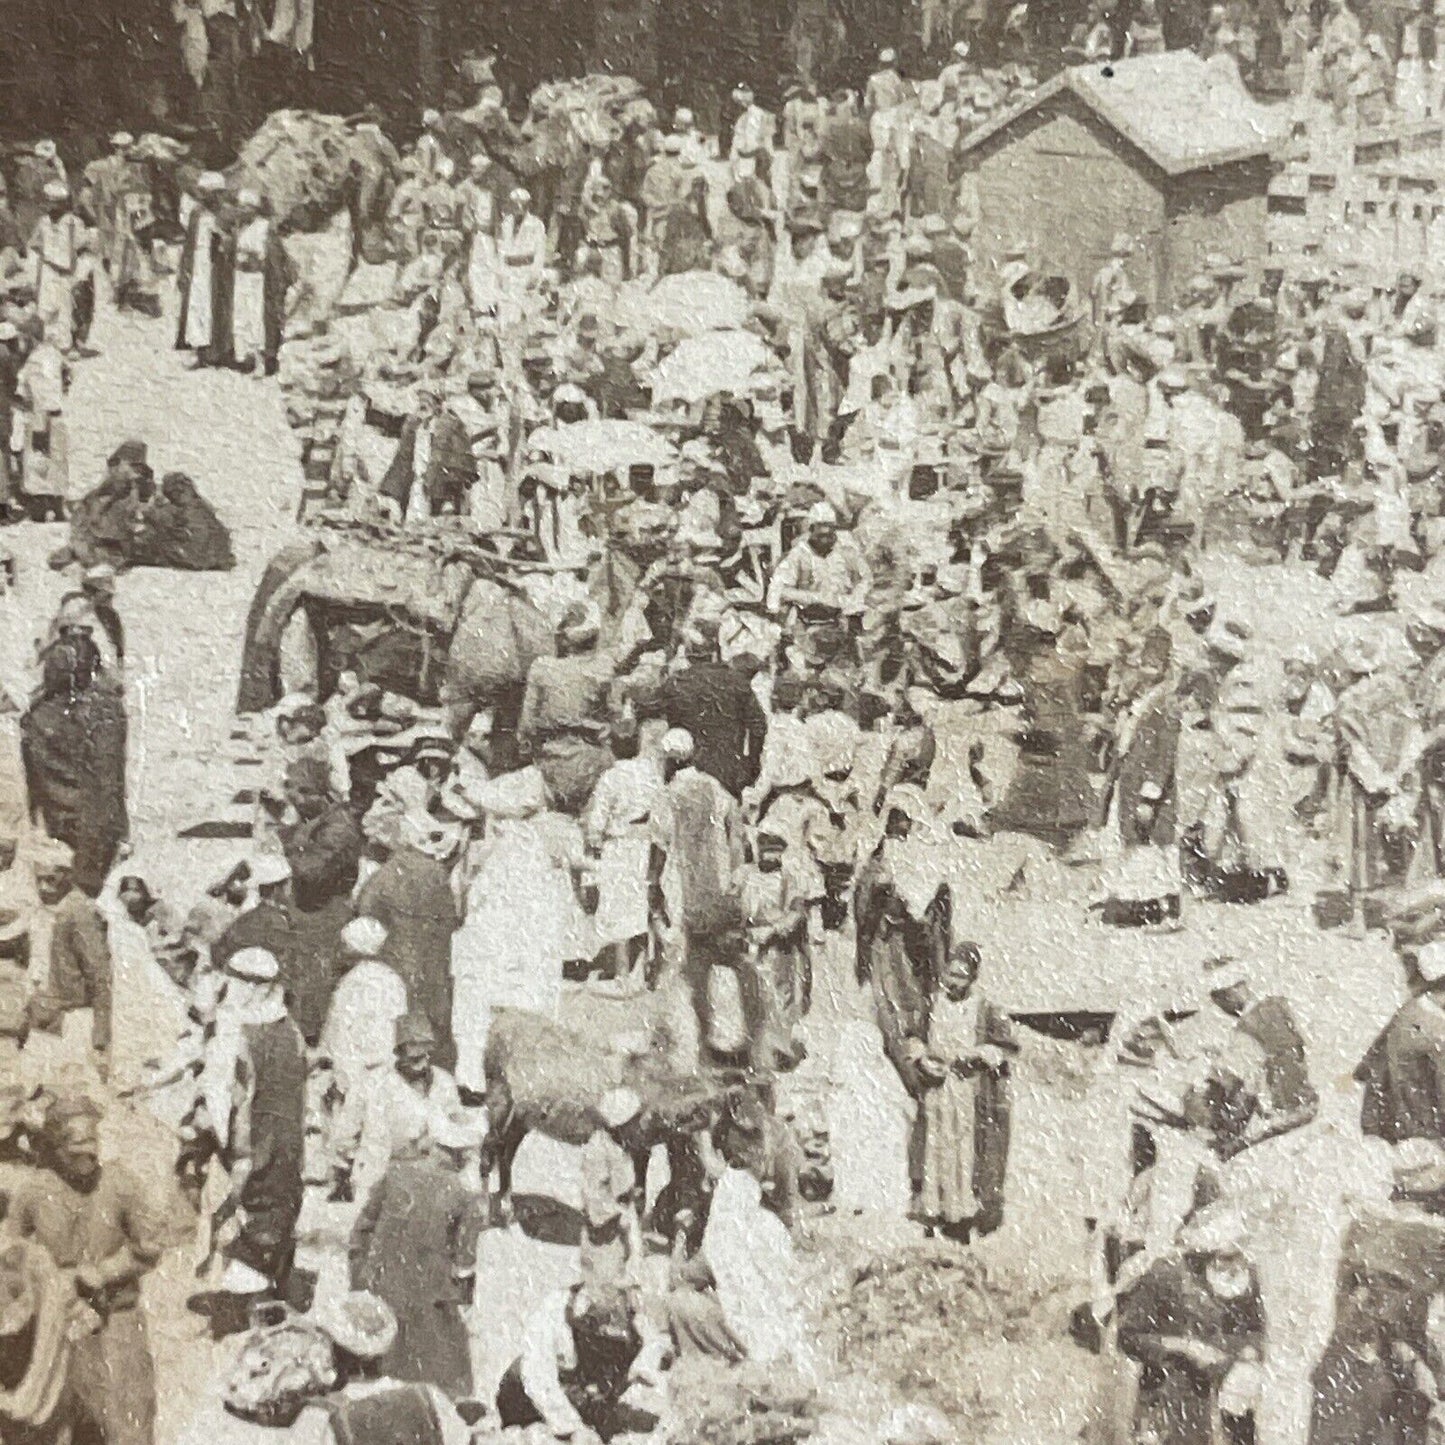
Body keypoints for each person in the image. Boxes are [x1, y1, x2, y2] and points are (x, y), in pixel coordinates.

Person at [6, 1094, 172, 1445]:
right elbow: (12, 1261)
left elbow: (151, 1245)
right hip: (57, 1330)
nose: (89, 1153)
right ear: (54, 1147)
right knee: (55, 1426)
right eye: (76, 1145)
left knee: (128, 1424)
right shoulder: (33, 1193)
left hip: (117, 1319)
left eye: (92, 1141)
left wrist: (100, 1273)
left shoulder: (119, 1184)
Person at [349, 1115, 485, 1400]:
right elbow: (464, 1265)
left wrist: (361, 1278)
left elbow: (361, 1230)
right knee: (440, 1382)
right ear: (466, 1154)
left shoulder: (396, 1172)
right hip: (426, 1302)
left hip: (380, 1288)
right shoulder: (464, 1197)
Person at [207, 946, 307, 1312]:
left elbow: (222, 1101)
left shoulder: (237, 1032)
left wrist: (222, 1145)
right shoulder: (290, 1030)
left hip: (251, 1144)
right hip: (287, 1142)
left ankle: (248, 1308)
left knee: (246, 1218)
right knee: (279, 1211)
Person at [1116, 1205, 1266, 1445]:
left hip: (1231, 1408)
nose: (1234, 1267)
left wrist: (1248, 1354)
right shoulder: (1167, 1275)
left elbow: (1255, 1331)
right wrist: (1184, 1347)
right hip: (1168, 1407)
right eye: (1225, 1258)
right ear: (1204, 1252)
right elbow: (1127, 1337)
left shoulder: (1247, 1278)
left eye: (1240, 1256)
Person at [907, 941, 1017, 1240]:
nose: (953, 981)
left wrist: (976, 1057)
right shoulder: (931, 1003)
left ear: (972, 978)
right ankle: (934, 1210)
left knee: (964, 1150)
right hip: (937, 1090)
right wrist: (923, 1061)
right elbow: (914, 1039)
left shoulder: (984, 1008)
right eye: (950, 974)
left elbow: (1004, 1047)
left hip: (967, 1090)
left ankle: (961, 1216)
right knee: (936, 1147)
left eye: (961, 976)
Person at [355, 810, 461, 1069]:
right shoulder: (437, 874)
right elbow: (452, 918)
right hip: (433, 958)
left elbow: (364, 911)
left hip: (396, 958)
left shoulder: (384, 876)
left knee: (399, 1019)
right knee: (437, 1020)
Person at [498, 1283, 660, 1441]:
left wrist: (632, 1376)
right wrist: (573, 1427)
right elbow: (537, 1377)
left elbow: (653, 1347)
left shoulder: (633, 1319)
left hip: (582, 1400)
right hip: (525, 1403)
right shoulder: (555, 1309)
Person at [332, 1012, 463, 1204]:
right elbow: (344, 1135)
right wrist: (345, 1170)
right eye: (414, 1057)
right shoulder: (371, 1084)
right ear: (398, 1053)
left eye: (425, 1054)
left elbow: (457, 1126)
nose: (420, 1064)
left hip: (431, 1178)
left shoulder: (444, 1082)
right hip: (380, 1179)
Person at [26, 837, 113, 1078]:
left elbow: (100, 975)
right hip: (45, 1013)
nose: (44, 887)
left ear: (67, 876)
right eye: (39, 880)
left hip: (73, 1018)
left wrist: (101, 1034)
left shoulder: (79, 912)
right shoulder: (46, 908)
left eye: (50, 880)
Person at [318, 916, 408, 1103]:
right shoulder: (392, 978)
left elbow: (338, 1029)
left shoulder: (350, 983)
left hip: (353, 1066)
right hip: (384, 1063)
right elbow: (399, 1019)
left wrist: (327, 1059)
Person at [28, 181, 91, 357]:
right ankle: (48, 344)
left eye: (56, 202)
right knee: (47, 308)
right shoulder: (43, 222)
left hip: (67, 272)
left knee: (66, 309)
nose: (52, 206)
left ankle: (66, 346)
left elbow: (83, 246)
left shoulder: (74, 223)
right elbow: (34, 244)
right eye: (50, 201)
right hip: (48, 269)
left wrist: (81, 271)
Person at [175, 172, 231, 367]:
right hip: (199, 264)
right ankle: (198, 349)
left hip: (215, 265)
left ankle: (214, 350)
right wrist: (184, 268)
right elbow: (189, 242)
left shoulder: (223, 215)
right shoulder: (197, 213)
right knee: (197, 306)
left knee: (215, 306)